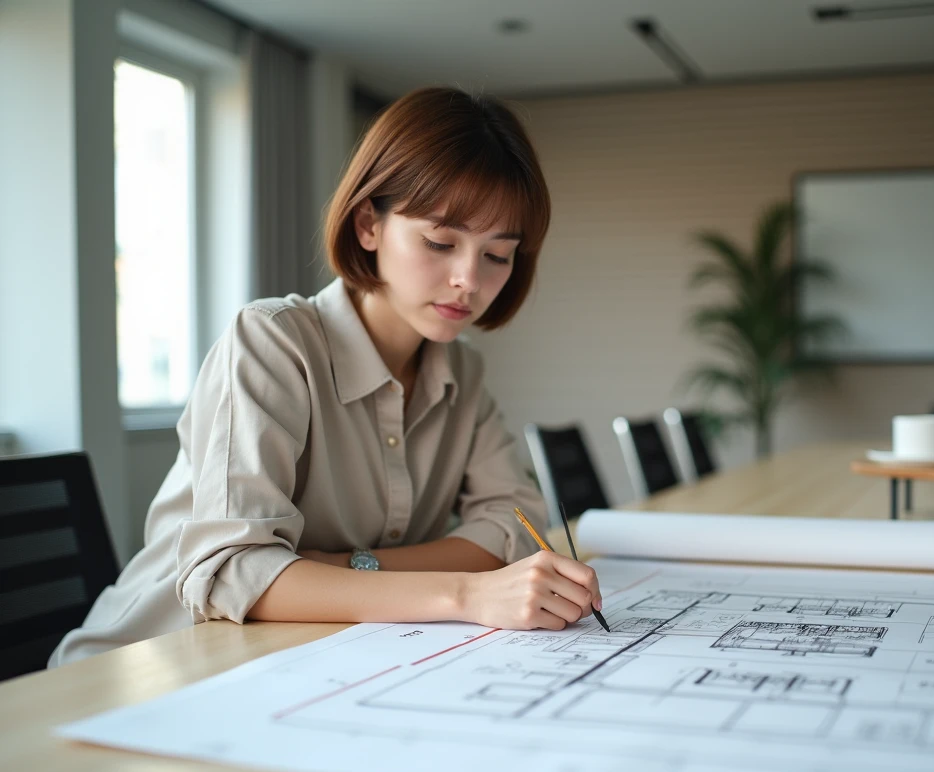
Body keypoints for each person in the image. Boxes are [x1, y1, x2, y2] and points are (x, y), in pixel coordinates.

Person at [50, 87, 600, 667]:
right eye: (440, 242)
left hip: (299, 661)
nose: (469, 278)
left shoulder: (461, 370)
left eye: (497, 255)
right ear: (368, 225)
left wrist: (343, 568)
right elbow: (235, 571)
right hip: (149, 665)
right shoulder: (272, 342)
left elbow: (513, 527)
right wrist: (465, 592)